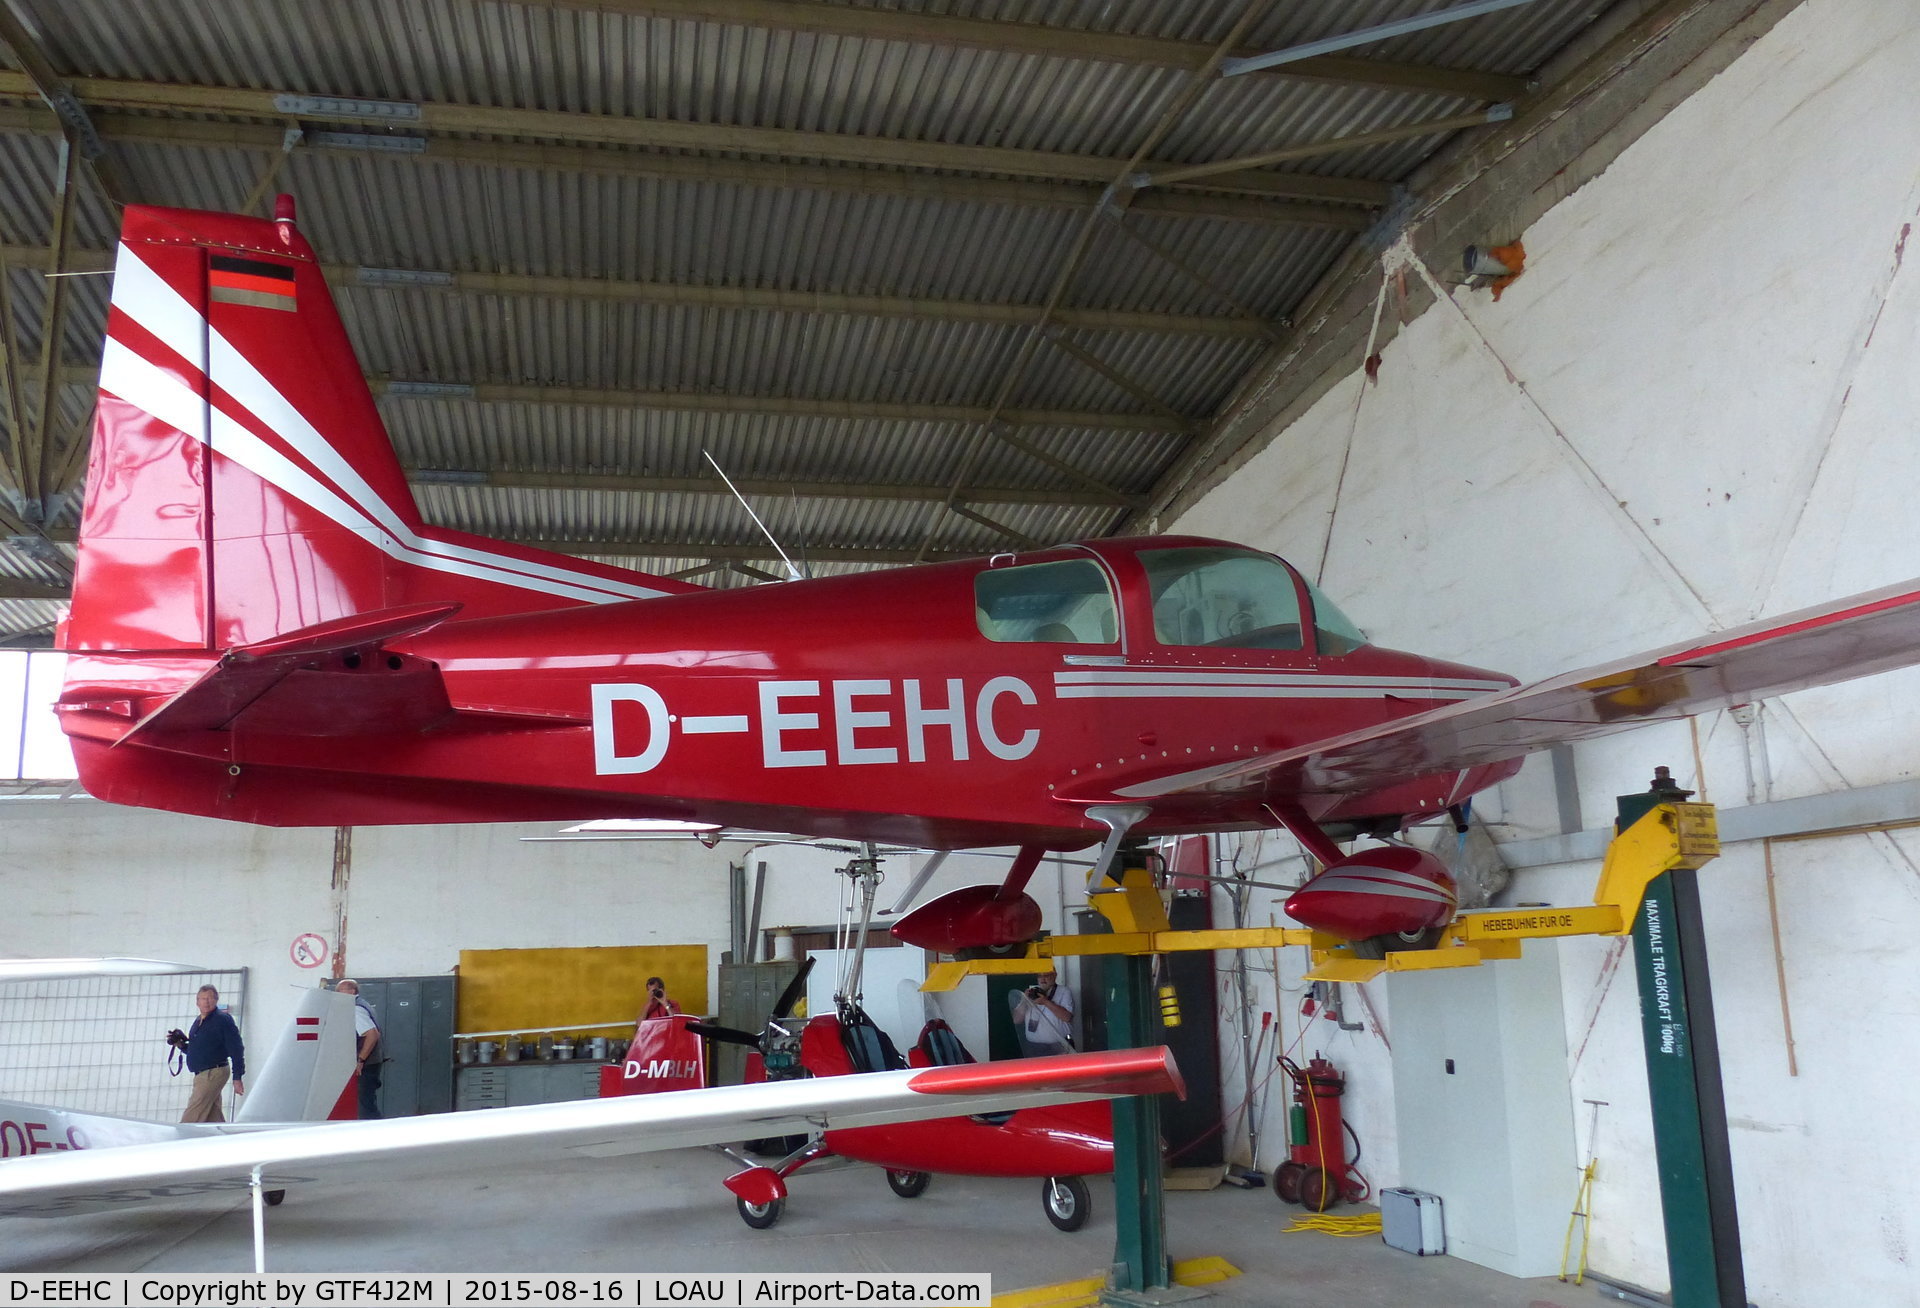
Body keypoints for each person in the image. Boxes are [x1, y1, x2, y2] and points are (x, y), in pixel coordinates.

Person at [180, 984, 244, 1123]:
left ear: (216, 1000)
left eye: (210, 998)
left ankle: (179, 1141)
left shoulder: (223, 1020)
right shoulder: (198, 1021)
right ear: (197, 1002)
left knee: (192, 1115)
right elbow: (198, 1050)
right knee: (212, 1117)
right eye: (203, 998)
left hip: (212, 1073)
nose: (206, 1002)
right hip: (203, 1073)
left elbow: (236, 1048)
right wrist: (180, 1045)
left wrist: (237, 1076)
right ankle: (223, 1141)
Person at [335, 979, 382, 1119]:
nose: (336, 994)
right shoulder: (363, 1004)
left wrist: (360, 1060)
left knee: (365, 1105)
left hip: (365, 1065)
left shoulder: (355, 1009)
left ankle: (374, 1134)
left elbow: (372, 1034)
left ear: (352, 991)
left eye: (339, 991)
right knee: (366, 1102)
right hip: (372, 1062)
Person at [1009, 968, 1074, 1056]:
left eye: (1046, 975)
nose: (1042, 979)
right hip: (1034, 1047)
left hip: (1059, 1047)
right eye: (1039, 976)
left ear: (1054, 976)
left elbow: (1067, 1017)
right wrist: (1024, 1000)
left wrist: (1046, 1002)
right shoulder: (1032, 992)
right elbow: (1016, 1020)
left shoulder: (1064, 992)